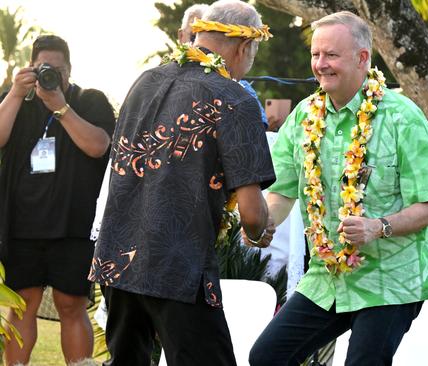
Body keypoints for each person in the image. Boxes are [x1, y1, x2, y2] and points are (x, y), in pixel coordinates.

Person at [249, 11, 428, 366]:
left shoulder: (403, 117)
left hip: (391, 281)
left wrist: (376, 227)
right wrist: (264, 223)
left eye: (331, 55)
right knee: (267, 356)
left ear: (362, 58)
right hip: (328, 276)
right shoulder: (304, 117)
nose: (320, 64)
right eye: (315, 55)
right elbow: (282, 191)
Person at [88, 1, 275, 365]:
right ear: (244, 46)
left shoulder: (145, 81)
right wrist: (256, 230)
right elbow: (252, 213)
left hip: (117, 259)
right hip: (179, 266)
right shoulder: (234, 98)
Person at [0, 35, 115, 365]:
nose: (51, 75)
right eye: (42, 68)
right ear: (30, 67)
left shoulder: (90, 100)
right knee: (22, 303)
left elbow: (98, 146)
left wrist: (60, 107)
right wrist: (16, 91)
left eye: (58, 69)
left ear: (70, 69)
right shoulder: (16, 100)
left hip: (73, 224)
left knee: (71, 304)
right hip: (21, 224)